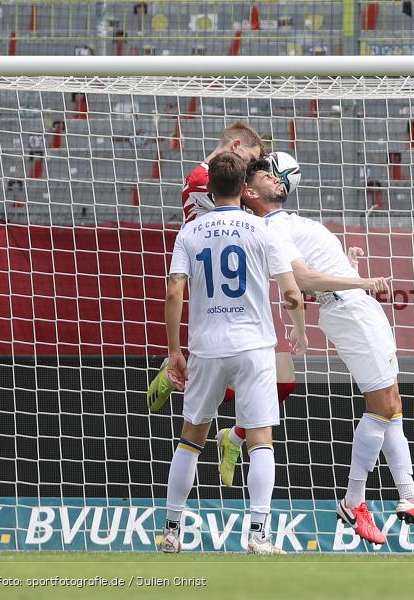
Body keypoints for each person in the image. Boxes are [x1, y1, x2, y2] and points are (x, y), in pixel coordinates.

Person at [237, 158, 414, 545]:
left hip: (354, 303)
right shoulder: (269, 227)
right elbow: (302, 279)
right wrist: (360, 280)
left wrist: (349, 268)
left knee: (392, 403)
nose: (276, 177)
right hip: (348, 307)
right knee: (382, 404)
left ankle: (409, 495)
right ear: (250, 192)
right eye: (266, 176)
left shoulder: (288, 220)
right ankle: (355, 501)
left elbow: (314, 272)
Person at [158, 152, 307, 554]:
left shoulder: (189, 232)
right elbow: (292, 292)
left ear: (208, 188)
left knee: (191, 439)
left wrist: (175, 351)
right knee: (260, 439)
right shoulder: (262, 229)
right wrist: (296, 325)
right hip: (254, 346)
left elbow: (174, 291)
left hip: (206, 347)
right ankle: (258, 535)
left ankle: (171, 531)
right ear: (244, 188)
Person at [147, 123, 299, 484]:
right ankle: (181, 377)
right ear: (233, 147)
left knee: (285, 378)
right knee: (248, 374)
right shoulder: (204, 179)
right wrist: (274, 185)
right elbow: (250, 200)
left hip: (232, 271)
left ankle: (233, 436)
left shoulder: (213, 180)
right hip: (217, 280)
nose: (252, 169)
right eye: (251, 160)